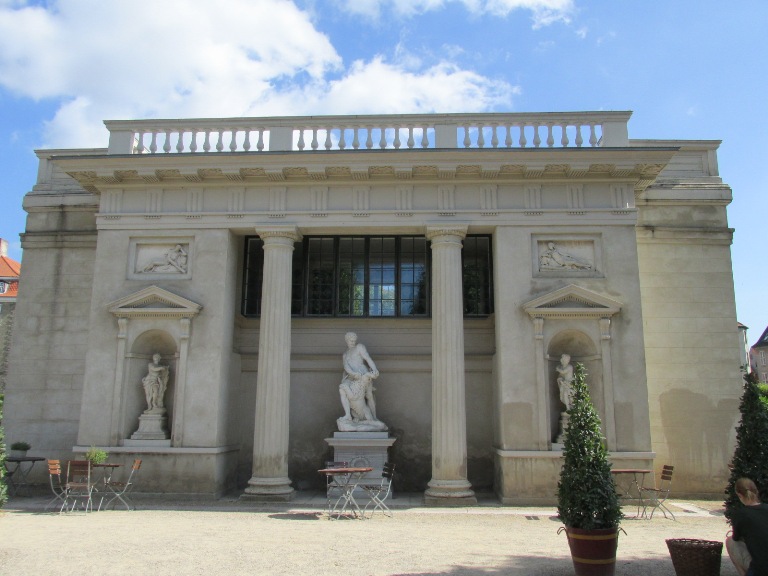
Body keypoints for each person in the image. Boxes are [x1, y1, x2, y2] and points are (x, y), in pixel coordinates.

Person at [338, 332, 387, 431]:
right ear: (346, 340)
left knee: (369, 395)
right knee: (342, 389)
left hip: (363, 374)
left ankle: (374, 417)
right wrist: (353, 374)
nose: (353, 342)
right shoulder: (345, 354)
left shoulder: (359, 347)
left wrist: (374, 370)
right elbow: (346, 366)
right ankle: (348, 415)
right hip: (351, 376)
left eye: (354, 340)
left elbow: (368, 358)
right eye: (351, 341)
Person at [726, 477, 768, 576]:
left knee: (730, 541)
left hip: (760, 569)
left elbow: (736, 538)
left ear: (739, 495)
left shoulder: (740, 514)